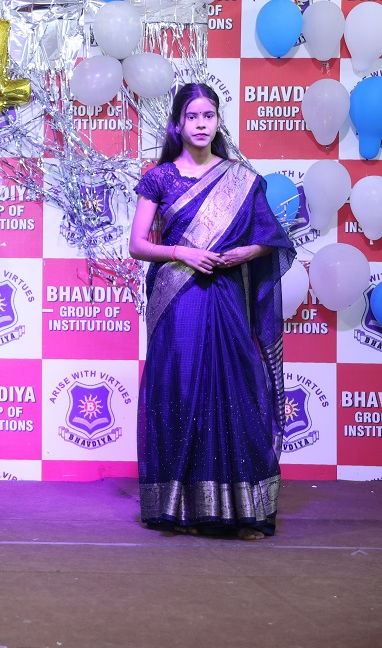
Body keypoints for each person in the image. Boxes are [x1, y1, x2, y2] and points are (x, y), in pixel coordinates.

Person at [129, 82, 295, 540]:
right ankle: (180, 508)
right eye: (192, 116)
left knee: (234, 390)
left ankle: (242, 511)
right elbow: (138, 244)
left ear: (218, 121)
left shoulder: (241, 178)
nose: (201, 124)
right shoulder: (159, 178)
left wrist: (245, 253)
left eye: (208, 115)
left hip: (225, 294)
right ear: (177, 124)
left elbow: (272, 239)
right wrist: (182, 252)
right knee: (180, 392)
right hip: (178, 299)